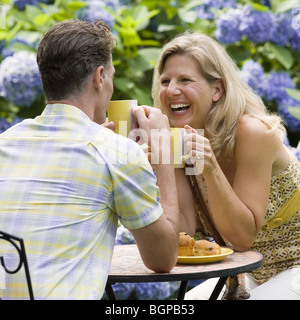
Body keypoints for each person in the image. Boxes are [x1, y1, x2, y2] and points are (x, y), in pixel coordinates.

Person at [0, 19, 180, 300]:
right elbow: (164, 257)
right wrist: (163, 153)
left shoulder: (6, 142)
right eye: (111, 75)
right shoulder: (115, 152)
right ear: (99, 77)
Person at [151, 32, 300, 300]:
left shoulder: (253, 132)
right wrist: (159, 164)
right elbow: (182, 232)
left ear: (217, 90)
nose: (171, 90)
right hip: (247, 275)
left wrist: (210, 168)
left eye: (185, 79)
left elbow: (241, 238)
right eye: (165, 81)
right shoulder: (178, 139)